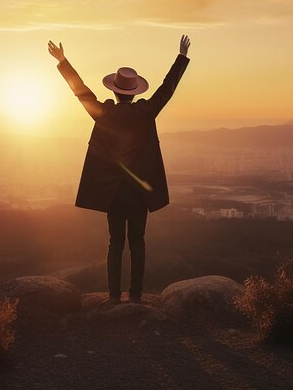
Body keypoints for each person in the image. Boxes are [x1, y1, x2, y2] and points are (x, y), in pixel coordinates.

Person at [48, 35, 191, 304]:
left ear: (114, 91)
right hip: (138, 193)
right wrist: (181, 57)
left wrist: (63, 61)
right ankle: (135, 295)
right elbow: (166, 89)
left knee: (115, 244)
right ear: (135, 91)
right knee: (138, 243)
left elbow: (80, 91)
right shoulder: (146, 112)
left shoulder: (103, 113)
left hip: (113, 193)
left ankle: (113, 296)